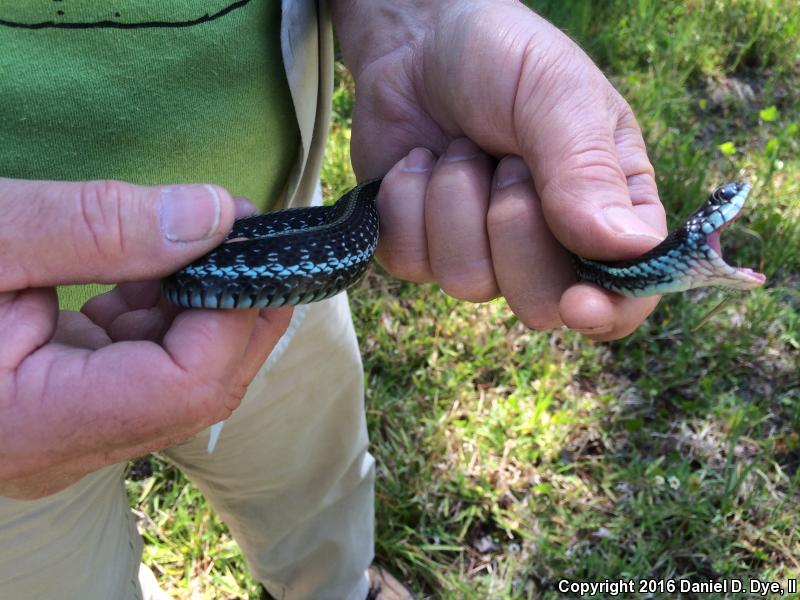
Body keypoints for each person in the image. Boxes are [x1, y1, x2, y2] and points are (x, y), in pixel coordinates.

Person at [0, 1, 667, 599]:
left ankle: (341, 589)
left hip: (285, 282)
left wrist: (418, 18)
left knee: (318, 483)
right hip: (30, 362)